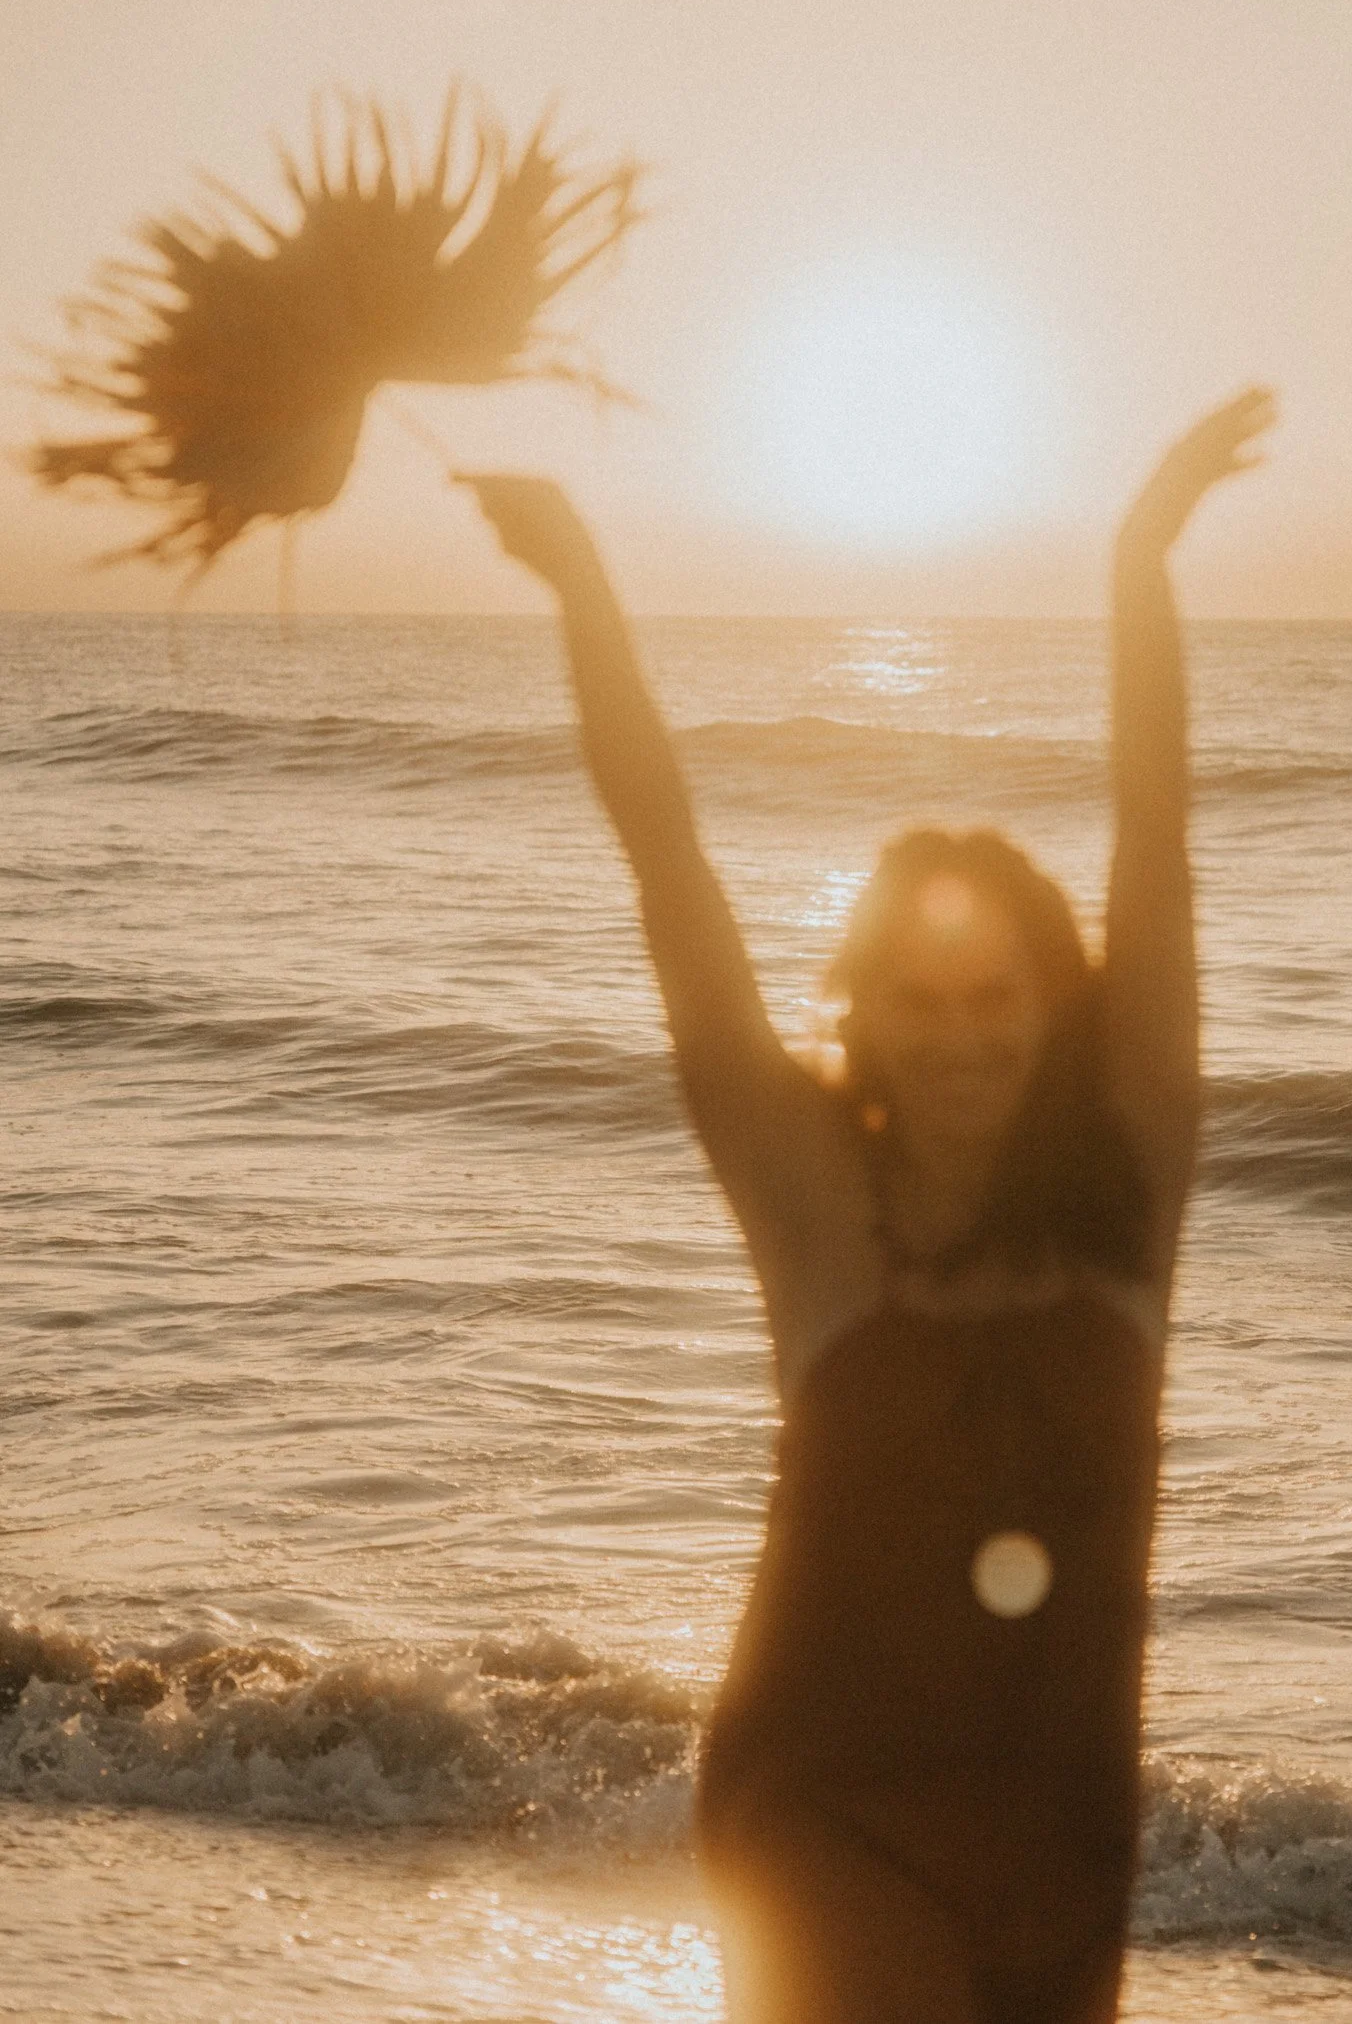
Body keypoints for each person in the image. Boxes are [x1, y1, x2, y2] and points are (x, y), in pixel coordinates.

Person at [465, 384, 1276, 2024]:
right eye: (923, 1000)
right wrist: (582, 589)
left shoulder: (1129, 1198)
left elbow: (1155, 832)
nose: (965, 1037)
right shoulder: (817, 1208)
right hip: (821, 1818)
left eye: (998, 1001)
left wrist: (1140, 558)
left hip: (1066, 1847)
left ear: (1056, 1012)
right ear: (869, 1016)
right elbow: (670, 867)